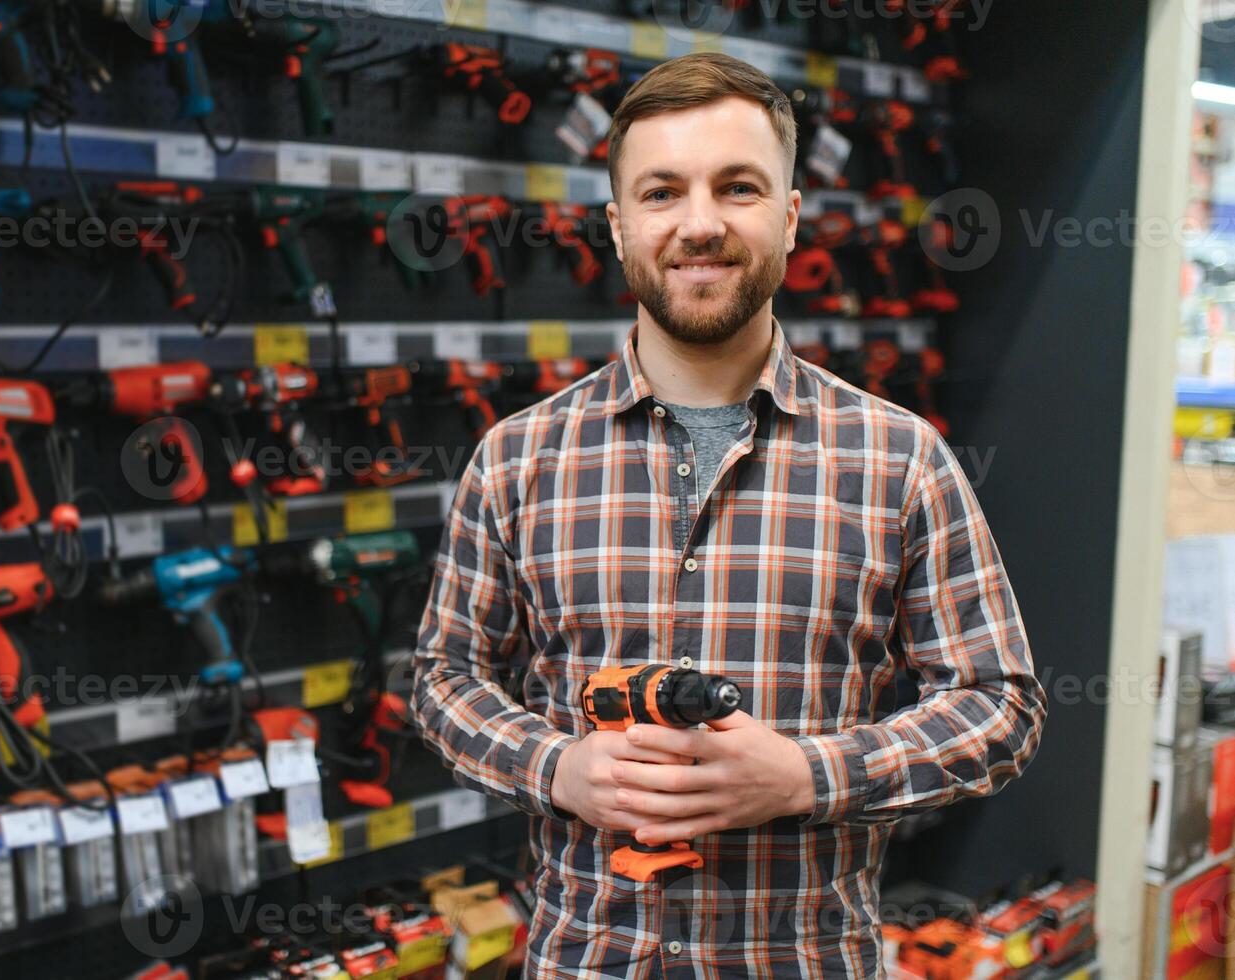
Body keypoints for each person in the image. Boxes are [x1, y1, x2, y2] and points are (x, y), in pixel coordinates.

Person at [409, 51, 1046, 979]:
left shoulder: (898, 458)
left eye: (737, 188)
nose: (699, 224)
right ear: (619, 224)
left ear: (788, 219)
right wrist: (556, 770)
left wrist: (806, 776)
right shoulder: (516, 457)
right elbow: (442, 678)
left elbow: (1000, 707)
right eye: (662, 192)